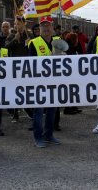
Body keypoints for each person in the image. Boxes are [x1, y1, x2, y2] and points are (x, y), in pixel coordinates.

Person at [27, 16, 61, 148]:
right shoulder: (34, 43)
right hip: (39, 82)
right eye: (43, 26)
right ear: (39, 28)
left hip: (54, 82)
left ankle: (49, 135)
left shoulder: (58, 41)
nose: (46, 28)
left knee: (52, 110)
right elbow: (30, 64)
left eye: (48, 25)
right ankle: (38, 137)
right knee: (39, 112)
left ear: (52, 27)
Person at [5, 16, 34, 122]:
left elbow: (34, 49)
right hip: (15, 67)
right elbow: (6, 47)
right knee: (15, 89)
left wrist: (30, 42)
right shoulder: (12, 35)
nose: (17, 26)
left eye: (19, 23)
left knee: (26, 89)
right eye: (15, 24)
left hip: (27, 67)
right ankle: (15, 113)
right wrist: (14, 40)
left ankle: (29, 110)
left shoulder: (29, 35)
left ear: (24, 24)